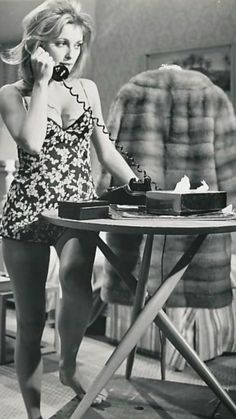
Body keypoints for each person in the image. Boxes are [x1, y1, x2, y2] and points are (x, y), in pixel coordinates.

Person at [0, 1, 138, 418]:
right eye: (62, 42)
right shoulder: (12, 94)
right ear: (38, 44)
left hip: (74, 211)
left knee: (77, 293)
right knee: (29, 321)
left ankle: (69, 368)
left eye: (77, 44)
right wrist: (41, 84)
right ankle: (34, 413)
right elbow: (32, 142)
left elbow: (106, 151)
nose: (71, 53)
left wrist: (140, 186)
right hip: (25, 214)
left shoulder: (87, 90)